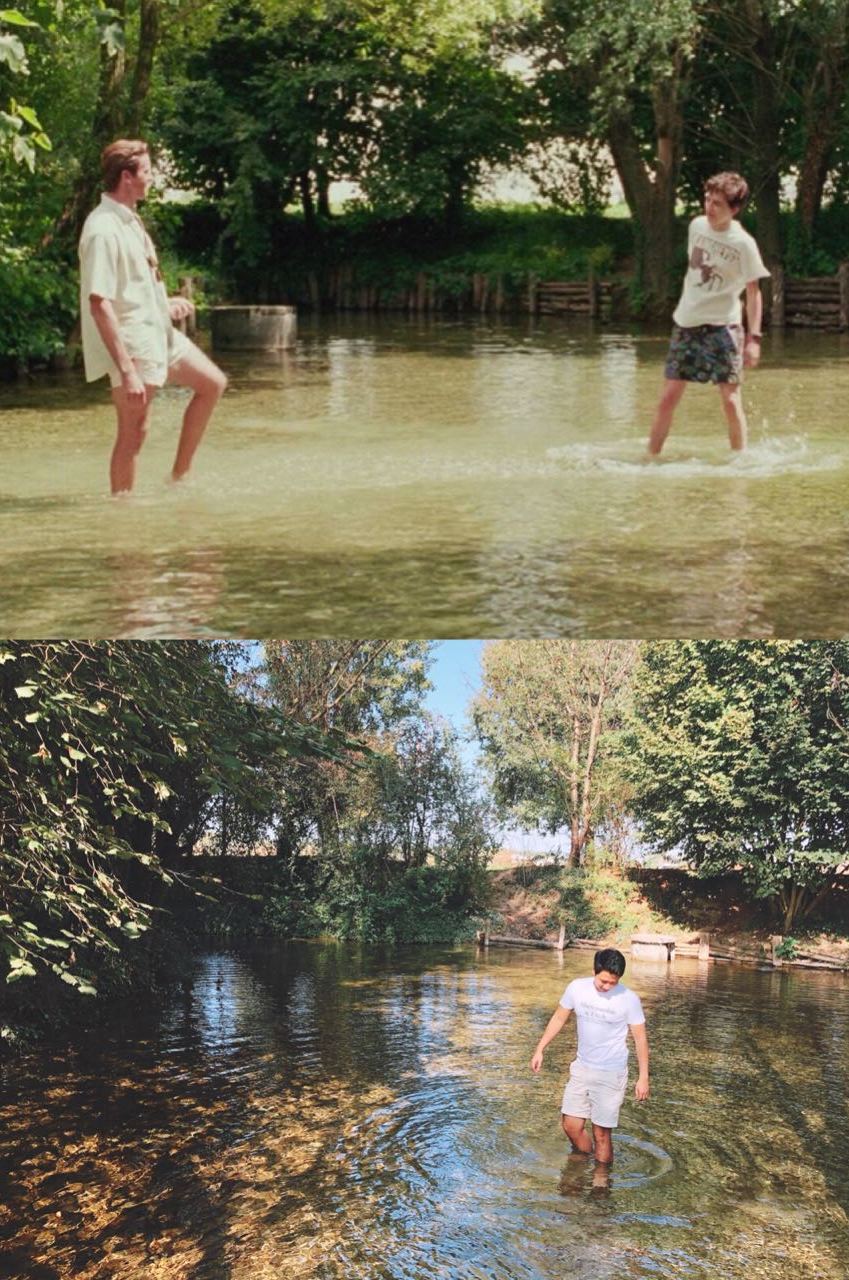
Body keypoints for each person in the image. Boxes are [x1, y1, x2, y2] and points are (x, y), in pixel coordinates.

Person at [78, 139, 227, 494]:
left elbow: (135, 283)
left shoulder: (130, 220)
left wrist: (166, 304)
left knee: (212, 384)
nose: (153, 177)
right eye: (147, 171)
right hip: (134, 345)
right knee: (133, 435)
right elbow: (100, 303)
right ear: (127, 176)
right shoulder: (102, 229)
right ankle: (123, 514)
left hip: (158, 333)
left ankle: (179, 477)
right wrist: (127, 369)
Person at [647, 171, 770, 456]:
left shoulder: (744, 244)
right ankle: (649, 458)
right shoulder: (697, 226)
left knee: (730, 400)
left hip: (723, 327)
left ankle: (740, 461)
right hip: (687, 322)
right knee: (667, 398)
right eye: (707, 199)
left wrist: (754, 339)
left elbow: (754, 292)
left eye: (718, 204)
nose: (709, 208)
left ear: (735, 209)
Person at [530, 948, 649, 1166]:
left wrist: (643, 1078)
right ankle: (582, 1162)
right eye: (603, 981)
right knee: (571, 1125)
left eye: (613, 983)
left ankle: (600, 1186)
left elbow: (640, 1039)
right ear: (595, 971)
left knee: (601, 1133)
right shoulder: (577, 988)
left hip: (611, 1073)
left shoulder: (629, 999)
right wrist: (540, 1048)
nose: (607, 986)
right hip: (582, 1068)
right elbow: (558, 1018)